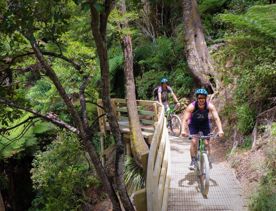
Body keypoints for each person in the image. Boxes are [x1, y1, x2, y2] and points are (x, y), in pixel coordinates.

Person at [181, 88, 224, 170]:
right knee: (194, 141)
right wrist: (183, 130)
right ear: (197, 98)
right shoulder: (192, 106)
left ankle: (208, 159)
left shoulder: (210, 106)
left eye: (203, 98)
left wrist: (220, 130)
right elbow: (185, 119)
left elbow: (216, 118)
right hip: (194, 124)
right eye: (200, 98)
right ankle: (193, 160)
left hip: (204, 124)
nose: (201, 100)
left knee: (207, 143)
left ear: (205, 98)